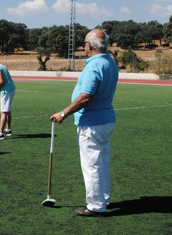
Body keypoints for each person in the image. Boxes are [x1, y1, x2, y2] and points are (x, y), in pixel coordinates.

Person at [50, 29, 119, 217]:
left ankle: (96, 205)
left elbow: (86, 96)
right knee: (101, 162)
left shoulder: (94, 66)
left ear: (89, 45)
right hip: (105, 120)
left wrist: (64, 113)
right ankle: (103, 199)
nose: (83, 46)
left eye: (84, 43)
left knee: (92, 164)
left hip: (92, 122)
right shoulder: (110, 62)